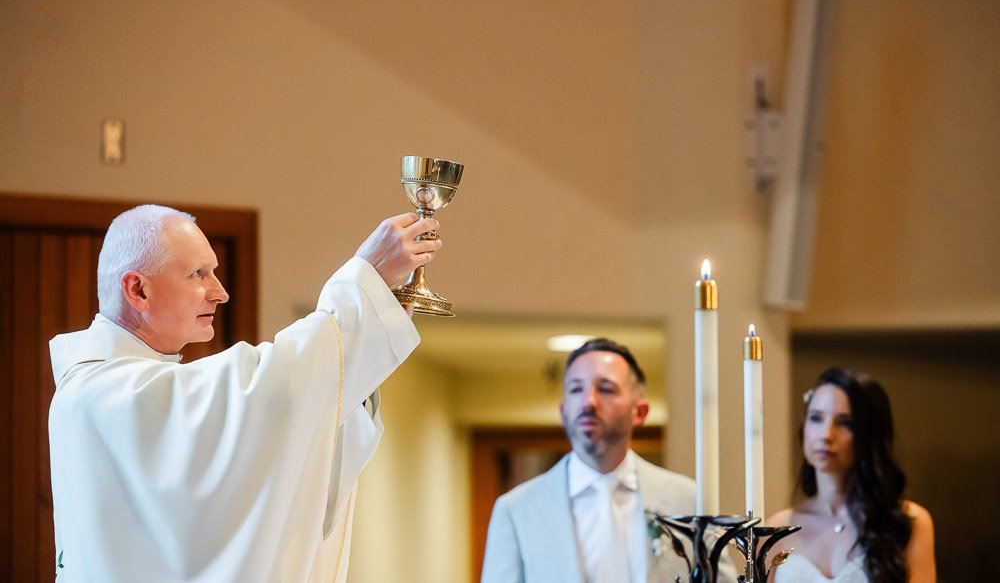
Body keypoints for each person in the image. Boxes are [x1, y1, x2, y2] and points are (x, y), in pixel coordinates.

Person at [48, 204, 440, 582]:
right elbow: (272, 390)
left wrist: (366, 334)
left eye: (214, 272)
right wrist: (363, 289)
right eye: (198, 274)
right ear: (138, 290)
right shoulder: (106, 394)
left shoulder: (112, 386)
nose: (219, 292)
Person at [480, 338, 737, 583]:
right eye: (576, 389)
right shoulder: (516, 510)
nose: (588, 402)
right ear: (563, 411)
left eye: (605, 389)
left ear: (640, 412)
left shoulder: (687, 498)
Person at [767, 367, 936, 583]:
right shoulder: (776, 529)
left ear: (869, 434)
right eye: (816, 418)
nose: (826, 435)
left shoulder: (908, 523)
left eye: (845, 423)